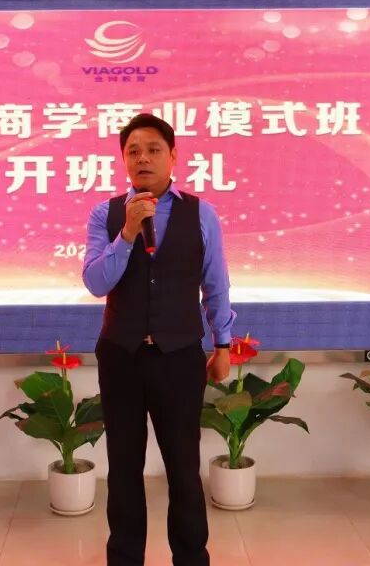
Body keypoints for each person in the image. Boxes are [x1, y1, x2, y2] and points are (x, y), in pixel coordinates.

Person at [82, 113, 236, 566]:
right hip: (121, 357)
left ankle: (191, 557)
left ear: (173, 156)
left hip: (179, 357)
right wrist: (128, 232)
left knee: (184, 467)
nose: (143, 158)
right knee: (124, 468)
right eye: (133, 151)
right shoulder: (106, 214)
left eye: (153, 150)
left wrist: (223, 344)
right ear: (123, 160)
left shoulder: (201, 213)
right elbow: (96, 282)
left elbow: (216, 283)